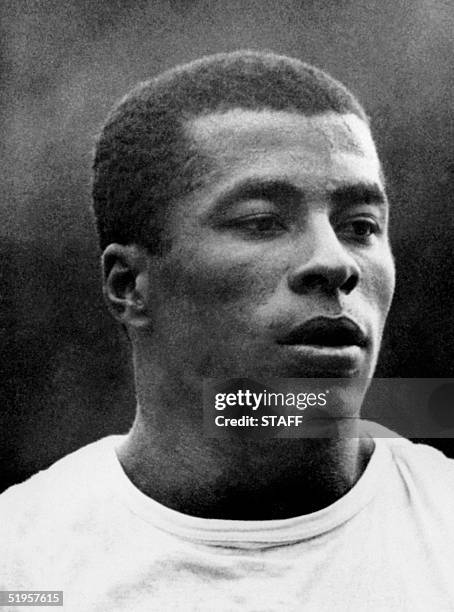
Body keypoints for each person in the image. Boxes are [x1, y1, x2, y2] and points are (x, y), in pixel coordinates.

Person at [1, 50, 454, 611]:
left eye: (360, 226)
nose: (335, 263)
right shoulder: (19, 567)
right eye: (262, 222)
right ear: (129, 285)